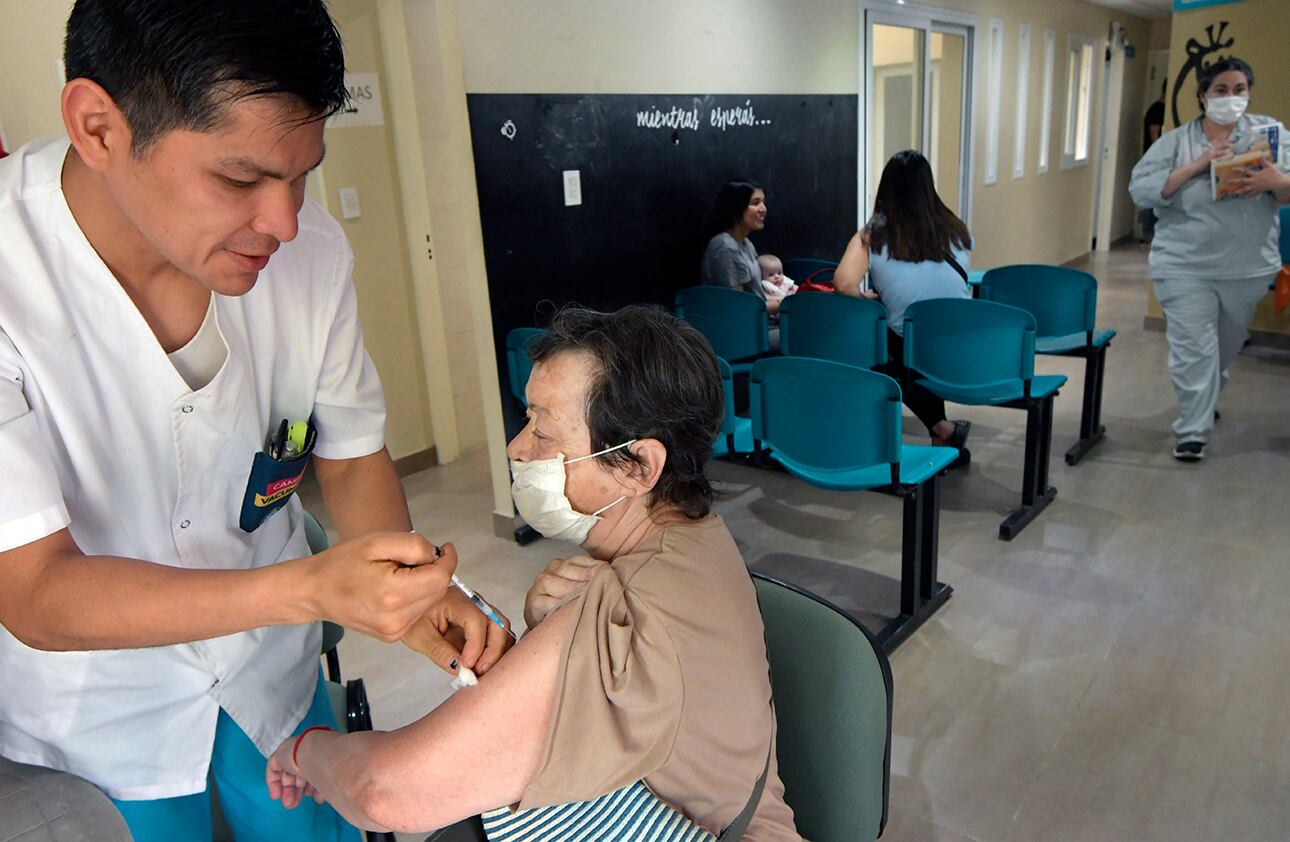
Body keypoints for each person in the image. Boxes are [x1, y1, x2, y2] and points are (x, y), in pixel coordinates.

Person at [0, 3, 509, 840]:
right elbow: (36, 590)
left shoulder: (307, 253)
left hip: (274, 688)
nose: (282, 220)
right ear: (98, 127)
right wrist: (311, 586)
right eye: (240, 179)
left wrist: (415, 594)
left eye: (302, 174)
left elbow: (347, 456)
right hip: (95, 721)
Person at [265, 305, 801, 841]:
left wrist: (303, 749)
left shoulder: (623, 611)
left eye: (543, 433)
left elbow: (384, 793)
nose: (516, 447)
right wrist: (550, 638)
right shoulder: (697, 535)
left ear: (639, 466)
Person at [1129, 57, 1290, 462]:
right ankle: (1192, 432)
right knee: (1193, 348)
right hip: (1183, 265)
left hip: (1247, 266)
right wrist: (1199, 165)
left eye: (1239, 90)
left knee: (1224, 345)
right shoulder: (1177, 142)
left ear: (1249, 93)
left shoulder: (1270, 134)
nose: (1230, 98)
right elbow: (1142, 190)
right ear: (1203, 95)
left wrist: (1278, 182)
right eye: (1221, 90)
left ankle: (1205, 396)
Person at [833, 149, 973, 458]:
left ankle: (942, 430)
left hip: (912, 341)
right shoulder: (957, 230)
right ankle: (942, 436)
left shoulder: (873, 235)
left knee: (880, 340)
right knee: (919, 341)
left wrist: (870, 300)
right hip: (964, 340)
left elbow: (843, 284)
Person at [1140, 81, 1167, 242]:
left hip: (1157, 162)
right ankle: (1148, 235)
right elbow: (1154, 136)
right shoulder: (1157, 110)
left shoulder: (1160, 109)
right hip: (1154, 162)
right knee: (1151, 197)